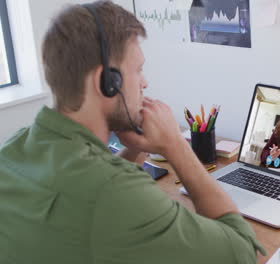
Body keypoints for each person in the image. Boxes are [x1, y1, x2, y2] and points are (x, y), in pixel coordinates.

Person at [0, 1, 264, 263]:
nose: (145, 82)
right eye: (138, 70)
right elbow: (242, 252)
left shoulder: (13, 151)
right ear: (107, 82)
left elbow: (89, 186)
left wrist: (137, 146)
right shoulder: (115, 193)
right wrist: (175, 145)